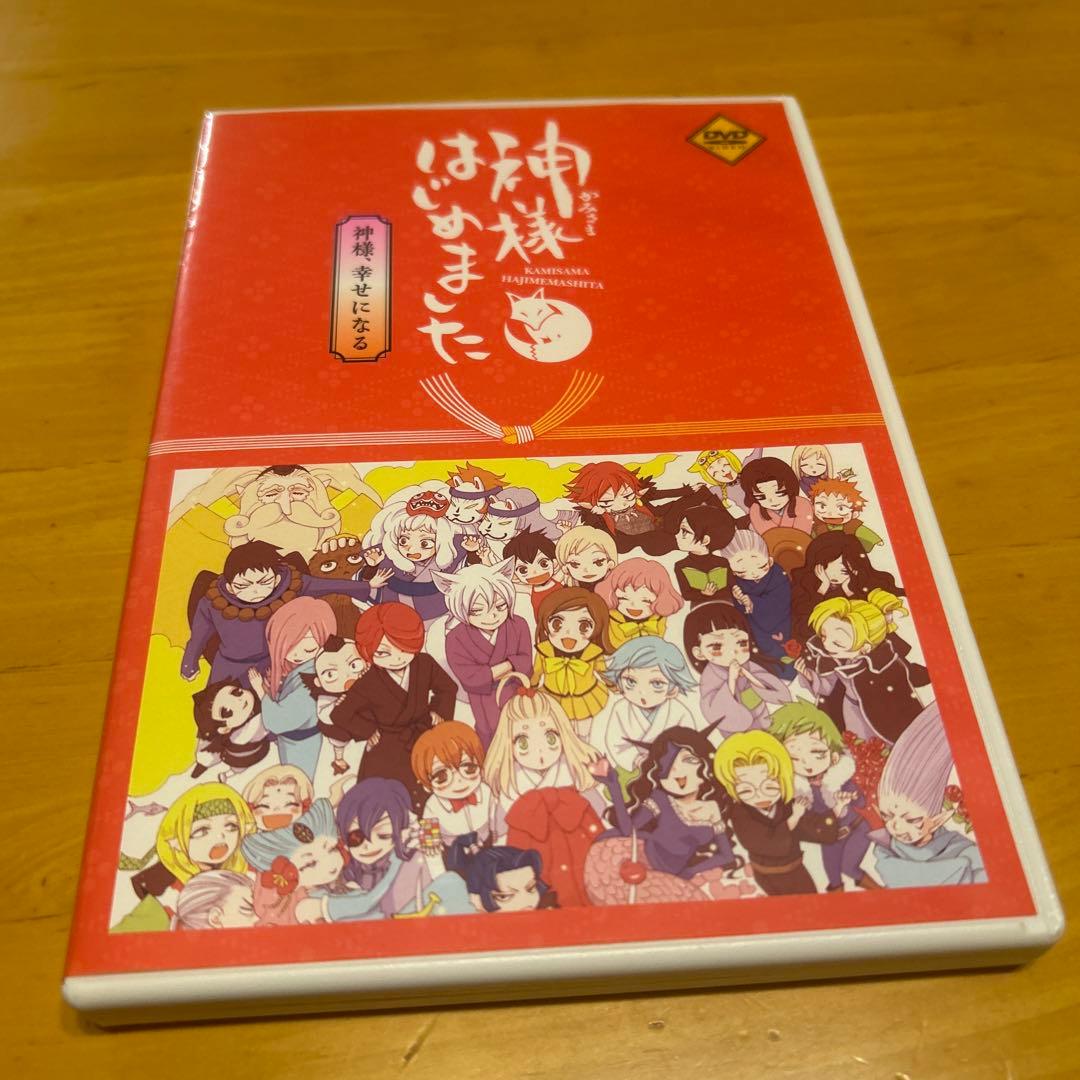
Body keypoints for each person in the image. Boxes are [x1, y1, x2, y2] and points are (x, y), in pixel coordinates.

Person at [873, 704, 985, 887]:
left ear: (939, 819)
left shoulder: (968, 855)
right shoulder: (885, 853)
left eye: (912, 820)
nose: (896, 826)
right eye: (886, 815)